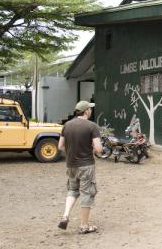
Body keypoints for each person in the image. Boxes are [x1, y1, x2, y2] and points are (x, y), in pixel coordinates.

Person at [57, 100, 103, 234]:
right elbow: (99, 149)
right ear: (86, 111)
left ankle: (65, 215)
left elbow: (60, 146)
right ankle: (84, 225)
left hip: (70, 165)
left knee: (73, 190)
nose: (91, 110)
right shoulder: (91, 126)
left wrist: (73, 150)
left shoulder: (67, 125)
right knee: (86, 193)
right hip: (86, 165)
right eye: (90, 108)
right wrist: (92, 150)